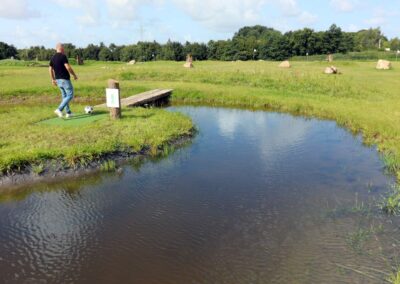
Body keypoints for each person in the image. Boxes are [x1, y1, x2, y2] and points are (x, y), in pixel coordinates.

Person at [49, 43, 78, 118]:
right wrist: (74, 75)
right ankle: (59, 109)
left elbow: (50, 69)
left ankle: (68, 113)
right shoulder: (63, 56)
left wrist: (52, 79)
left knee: (65, 96)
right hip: (64, 79)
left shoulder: (53, 57)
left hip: (58, 80)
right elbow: (68, 67)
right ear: (61, 48)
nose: (64, 50)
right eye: (63, 48)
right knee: (70, 95)